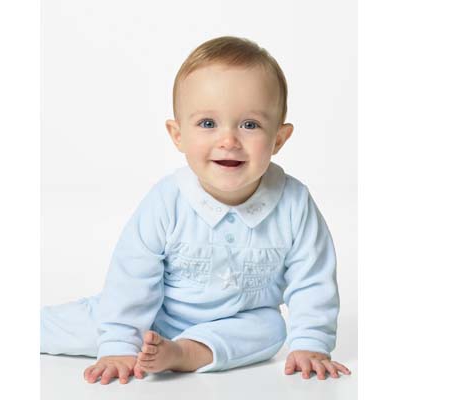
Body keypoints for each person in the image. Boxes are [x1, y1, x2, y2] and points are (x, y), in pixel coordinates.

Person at [41, 35, 352, 385]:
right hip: (150, 317)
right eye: (207, 124)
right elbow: (131, 276)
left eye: (250, 125)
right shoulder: (168, 200)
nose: (228, 140)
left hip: (237, 323)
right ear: (178, 135)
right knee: (74, 327)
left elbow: (313, 278)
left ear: (278, 139)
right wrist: (118, 344)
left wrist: (311, 343)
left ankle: (182, 354)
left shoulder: (293, 202)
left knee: (270, 327)